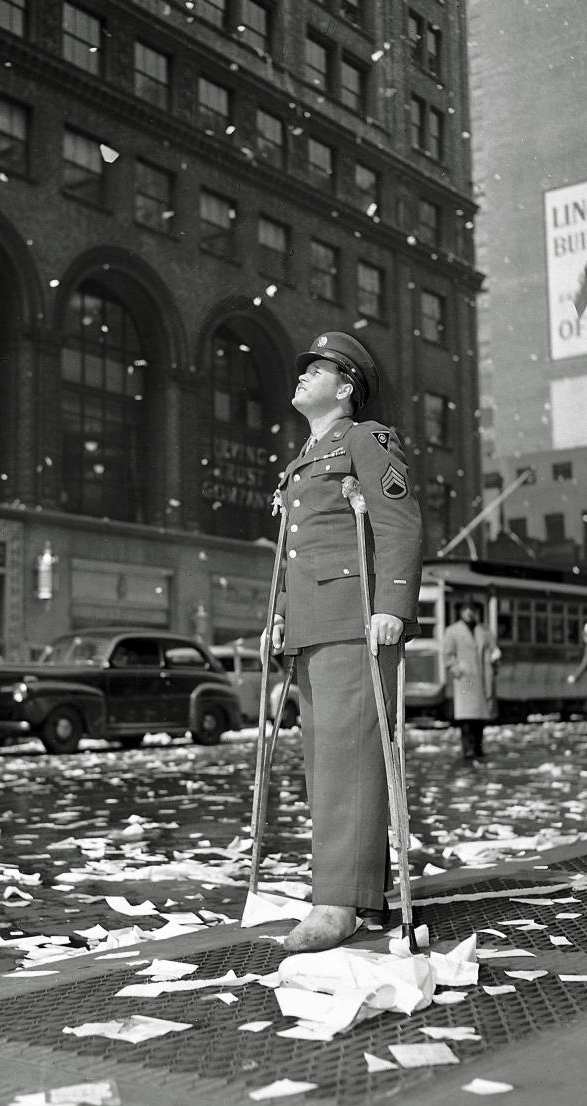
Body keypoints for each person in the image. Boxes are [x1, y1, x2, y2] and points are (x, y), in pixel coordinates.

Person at [263, 331, 423, 953]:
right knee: (329, 763)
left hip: (356, 620)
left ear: (347, 386)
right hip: (313, 625)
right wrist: (280, 614)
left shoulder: (366, 439)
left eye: (317, 369)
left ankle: (337, 904)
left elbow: (398, 523)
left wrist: (393, 606)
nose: (302, 376)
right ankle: (358, 891)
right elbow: (295, 550)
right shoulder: (305, 455)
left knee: (348, 763)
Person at [442, 601, 501, 761]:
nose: (469, 612)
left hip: (482, 678)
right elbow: (447, 655)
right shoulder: (452, 631)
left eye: (472, 609)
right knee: (467, 717)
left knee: (480, 718)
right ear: (460, 612)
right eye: (465, 609)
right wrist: (457, 670)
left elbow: (493, 650)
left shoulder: (484, 631)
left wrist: (495, 659)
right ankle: (468, 750)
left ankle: (478, 748)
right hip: (466, 680)